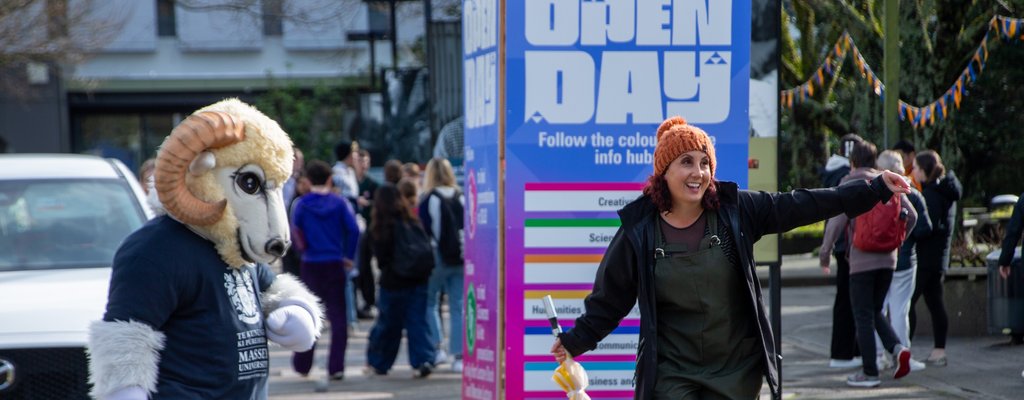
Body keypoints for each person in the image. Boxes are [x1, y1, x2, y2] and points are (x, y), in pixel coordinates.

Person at [550, 117, 910, 399]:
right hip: (672, 372)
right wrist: (575, 341)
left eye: (705, 162)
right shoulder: (639, 229)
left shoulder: (736, 211)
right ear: (664, 172)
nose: (698, 172)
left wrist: (874, 188)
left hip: (736, 370)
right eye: (686, 162)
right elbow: (609, 300)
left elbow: (802, 204)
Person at [820, 142, 917, 387]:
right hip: (888, 259)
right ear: (874, 162)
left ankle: (869, 373)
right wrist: (898, 241)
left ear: (852, 162)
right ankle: (897, 348)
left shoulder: (849, 183)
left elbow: (835, 221)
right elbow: (912, 215)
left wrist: (825, 253)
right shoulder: (886, 181)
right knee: (874, 310)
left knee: (862, 315)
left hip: (862, 260)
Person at [290, 160, 361, 380]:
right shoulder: (340, 203)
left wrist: (303, 250)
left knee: (309, 315)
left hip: (310, 263)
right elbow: (354, 229)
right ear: (330, 179)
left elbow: (294, 231)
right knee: (338, 317)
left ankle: (303, 363)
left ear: (308, 181)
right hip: (334, 263)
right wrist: (349, 256)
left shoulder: (300, 205)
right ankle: (336, 366)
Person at [360, 185, 437, 378]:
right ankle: (423, 360)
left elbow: (381, 258)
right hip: (419, 280)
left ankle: (380, 362)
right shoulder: (412, 220)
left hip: (393, 282)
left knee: (388, 325)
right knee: (418, 322)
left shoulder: (380, 227)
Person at [874, 150, 931, 373]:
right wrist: (902, 239)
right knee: (899, 310)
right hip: (905, 260)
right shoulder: (911, 192)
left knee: (877, 309)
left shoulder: (872, 190)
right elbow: (924, 226)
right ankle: (903, 352)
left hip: (878, 258)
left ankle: (880, 356)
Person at [909, 150, 962, 367]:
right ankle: (939, 351)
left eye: (915, 168)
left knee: (908, 304)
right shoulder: (946, 191)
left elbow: (924, 228)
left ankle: (904, 351)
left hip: (924, 258)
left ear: (924, 171)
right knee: (935, 303)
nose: (912, 171)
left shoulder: (931, 194)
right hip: (939, 258)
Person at [820, 133, 865, 369]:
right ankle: (849, 352)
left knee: (845, 298)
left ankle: (844, 352)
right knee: (853, 300)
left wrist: (826, 248)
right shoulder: (849, 177)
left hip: (839, 243)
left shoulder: (830, 172)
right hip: (851, 243)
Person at [418, 158, 465, 373]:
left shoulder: (428, 198)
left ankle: (438, 348)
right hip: (460, 256)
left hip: (436, 256)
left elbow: (428, 231)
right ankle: (458, 355)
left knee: (430, 302)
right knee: (457, 306)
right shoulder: (461, 196)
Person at [355, 148, 380, 320]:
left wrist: (368, 204)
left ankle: (369, 301)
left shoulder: (373, 184)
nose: (363, 165)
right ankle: (355, 304)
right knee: (356, 269)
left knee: (366, 267)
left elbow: (379, 205)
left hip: (369, 231)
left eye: (366, 162)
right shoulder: (349, 182)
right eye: (360, 162)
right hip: (353, 233)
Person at [332, 140, 361, 206]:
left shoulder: (351, 171)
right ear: (349, 154)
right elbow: (337, 194)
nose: (357, 156)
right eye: (355, 152)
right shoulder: (336, 172)